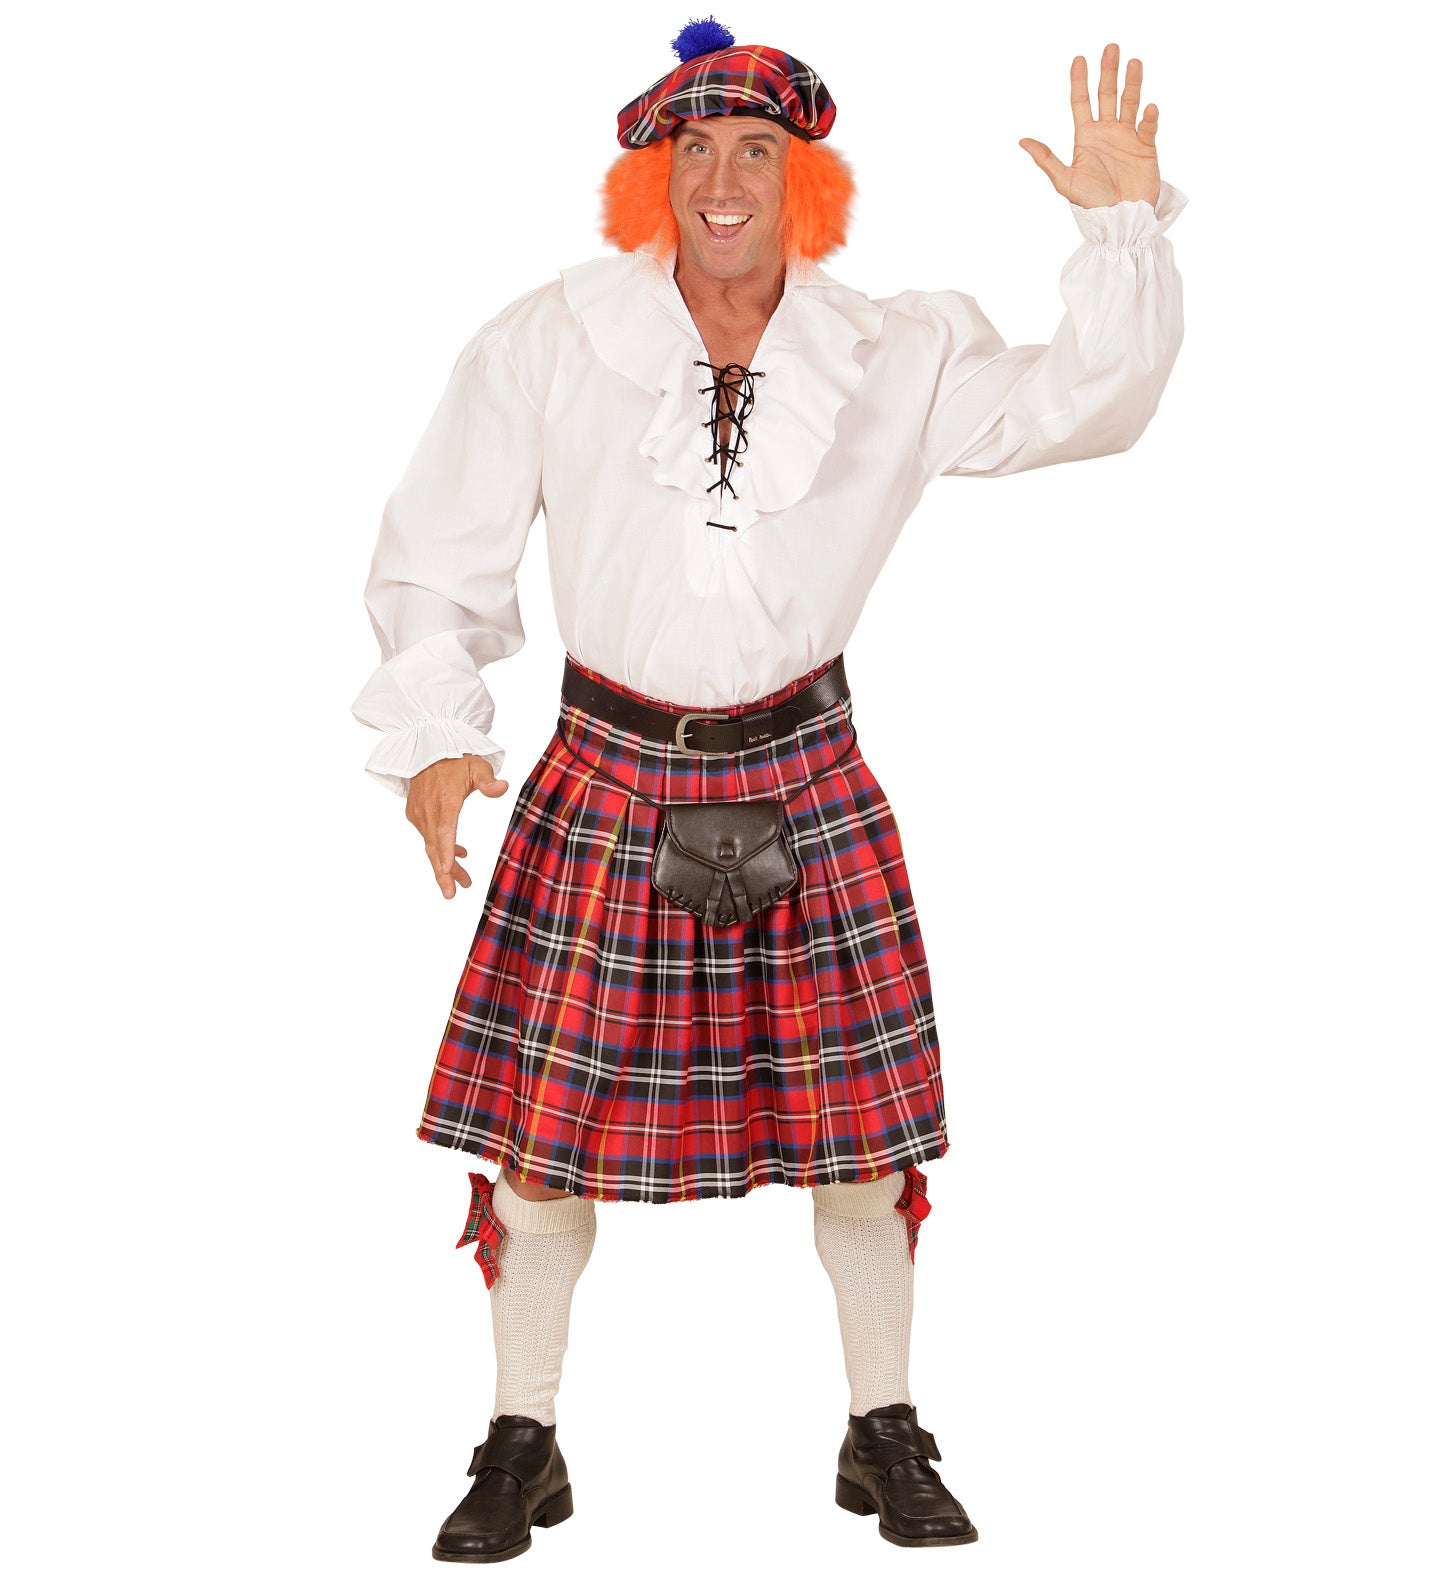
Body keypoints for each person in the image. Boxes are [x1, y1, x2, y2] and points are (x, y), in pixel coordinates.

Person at [352, 17, 1186, 1562]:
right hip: (606, 772)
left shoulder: (893, 350)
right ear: (651, 177)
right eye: (694, 149)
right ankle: (522, 1436)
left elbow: (1085, 406)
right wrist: (436, 727)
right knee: (541, 1140)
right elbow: (440, 551)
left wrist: (1118, 226)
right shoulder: (549, 339)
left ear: (807, 180)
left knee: (861, 1141)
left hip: (805, 774)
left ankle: (883, 1427)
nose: (722, 180)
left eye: (756, 151)